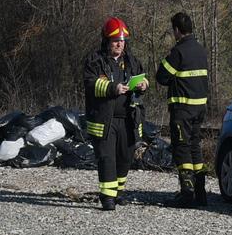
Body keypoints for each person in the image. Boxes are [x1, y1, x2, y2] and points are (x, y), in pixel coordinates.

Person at [83, 17, 148, 211]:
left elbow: (141, 78)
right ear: (106, 41)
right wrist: (113, 88)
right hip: (105, 119)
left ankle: (118, 192)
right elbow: (90, 83)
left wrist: (144, 85)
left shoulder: (132, 61)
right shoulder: (95, 61)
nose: (119, 44)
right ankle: (107, 197)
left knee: (125, 156)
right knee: (107, 157)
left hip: (128, 118)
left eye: (122, 41)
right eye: (115, 41)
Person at [156, 11, 211, 207]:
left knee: (182, 149)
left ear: (177, 30)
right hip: (199, 109)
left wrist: (166, 61)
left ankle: (187, 193)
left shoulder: (178, 52)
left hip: (182, 109)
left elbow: (161, 77)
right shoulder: (201, 50)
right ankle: (201, 193)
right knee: (195, 147)